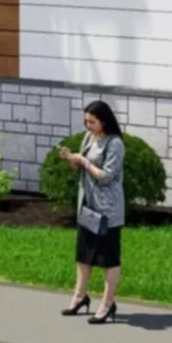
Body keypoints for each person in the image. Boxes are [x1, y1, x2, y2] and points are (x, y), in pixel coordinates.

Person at [58, 101, 125, 325]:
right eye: (86, 121)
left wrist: (84, 162)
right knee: (84, 255)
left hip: (107, 210)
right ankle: (79, 297)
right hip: (87, 205)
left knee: (108, 258)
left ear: (104, 120)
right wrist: (71, 160)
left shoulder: (114, 144)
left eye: (92, 122)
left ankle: (107, 303)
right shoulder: (89, 138)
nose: (88, 126)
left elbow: (106, 176)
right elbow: (83, 167)